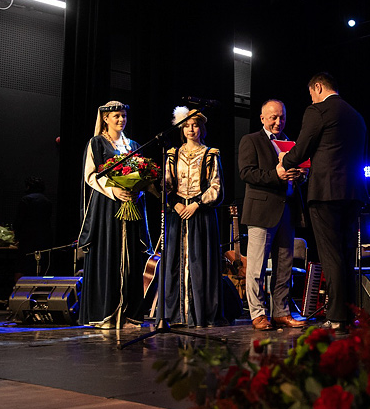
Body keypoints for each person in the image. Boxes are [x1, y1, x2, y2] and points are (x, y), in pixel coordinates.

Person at [279, 73, 368, 331]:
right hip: (353, 193)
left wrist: (284, 162)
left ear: (317, 87)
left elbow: (303, 147)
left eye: (311, 93)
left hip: (326, 193)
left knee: (331, 255)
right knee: (347, 254)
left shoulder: (318, 110)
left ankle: (337, 317)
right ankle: (349, 313)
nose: (311, 98)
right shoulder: (356, 116)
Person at [77, 101, 152, 329]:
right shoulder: (96, 143)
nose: (121, 120)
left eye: (123, 116)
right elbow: (91, 175)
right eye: (116, 116)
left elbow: (142, 174)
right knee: (107, 255)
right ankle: (106, 314)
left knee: (129, 258)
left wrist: (136, 191)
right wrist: (113, 190)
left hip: (130, 206)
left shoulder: (133, 145)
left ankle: (129, 314)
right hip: (107, 208)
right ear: (106, 118)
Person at [239, 99, 308, 331]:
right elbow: (246, 173)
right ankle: (258, 313)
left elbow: (299, 174)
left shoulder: (290, 143)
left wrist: (300, 176)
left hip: (287, 210)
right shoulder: (251, 140)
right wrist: (275, 174)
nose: (278, 122)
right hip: (261, 212)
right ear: (262, 118)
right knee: (256, 267)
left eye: (282, 117)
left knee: (284, 267)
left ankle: (281, 311)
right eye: (273, 117)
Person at [162, 107, 229, 327]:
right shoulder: (172, 154)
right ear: (182, 128)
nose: (191, 129)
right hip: (178, 214)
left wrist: (197, 204)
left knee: (201, 262)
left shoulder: (211, 154)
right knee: (175, 262)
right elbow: (166, 186)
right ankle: (176, 314)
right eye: (187, 125)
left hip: (201, 216)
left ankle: (201, 314)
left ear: (202, 128)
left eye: (195, 125)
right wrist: (177, 204)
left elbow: (216, 186)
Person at [15, 177, 52, 275]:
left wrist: (17, 236)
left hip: (27, 238)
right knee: (40, 264)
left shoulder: (26, 200)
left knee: (24, 265)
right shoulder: (47, 201)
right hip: (44, 238)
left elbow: (20, 220)